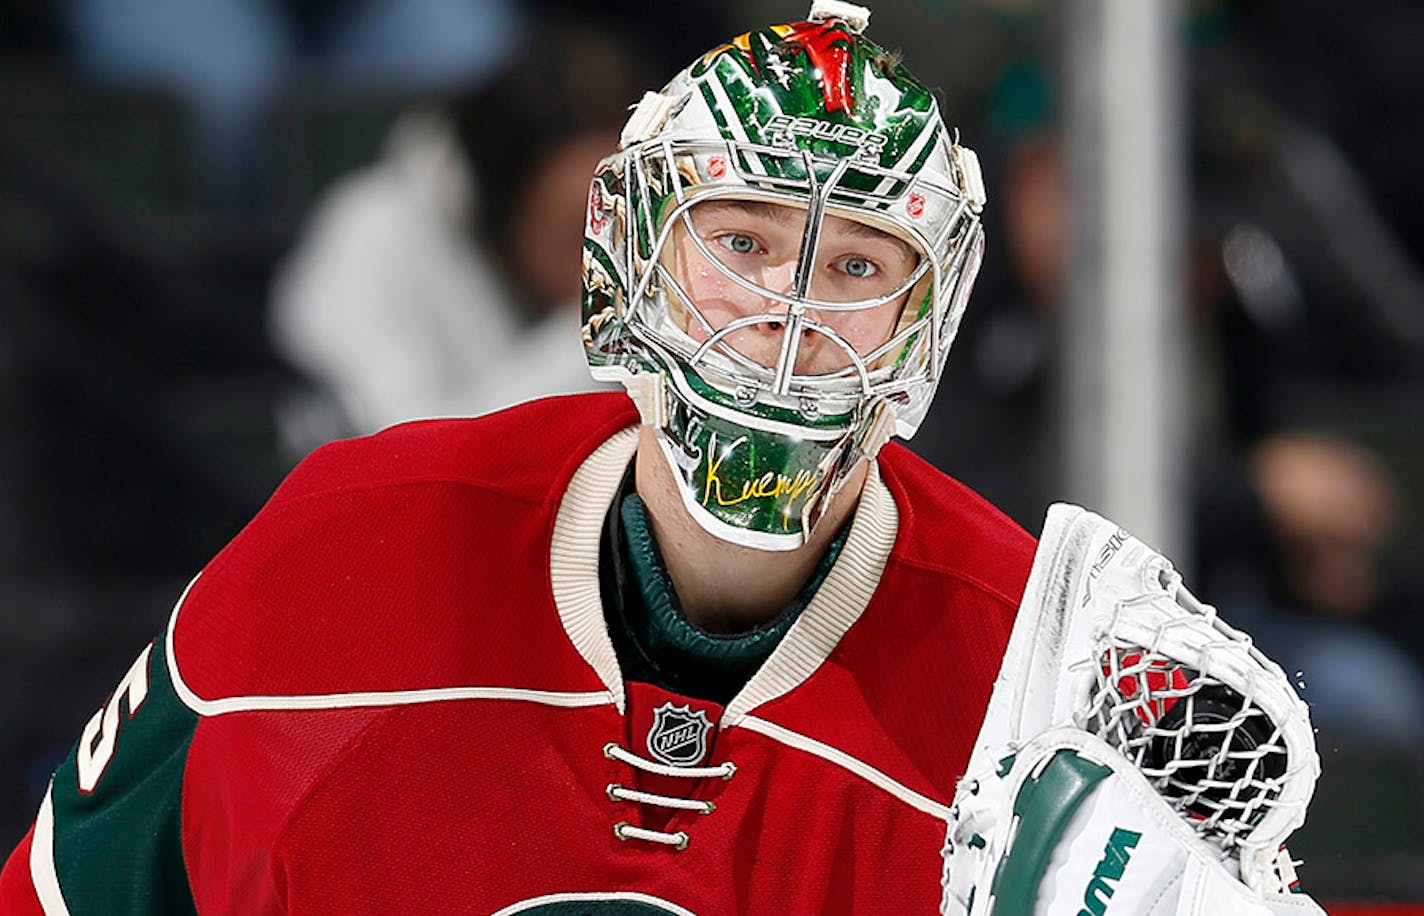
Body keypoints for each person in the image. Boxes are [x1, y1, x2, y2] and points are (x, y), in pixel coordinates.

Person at [0, 4, 1318, 912]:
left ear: (932, 318)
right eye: (740, 239)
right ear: (631, 254)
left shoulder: (1031, 695)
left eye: (856, 265)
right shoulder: (347, 542)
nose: (789, 315)